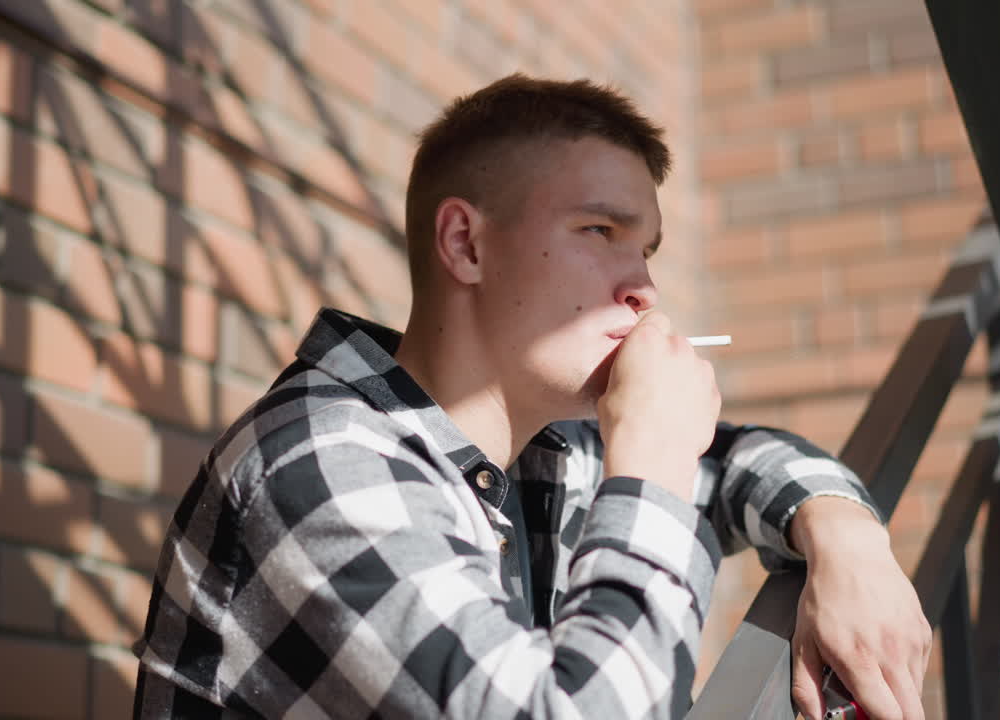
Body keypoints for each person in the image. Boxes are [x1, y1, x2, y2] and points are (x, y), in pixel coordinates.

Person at [133, 74, 931, 720]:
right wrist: (650, 467)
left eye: (646, 249)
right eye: (600, 232)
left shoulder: (552, 450)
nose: (644, 288)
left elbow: (747, 459)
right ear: (466, 244)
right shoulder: (322, 462)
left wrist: (847, 540)